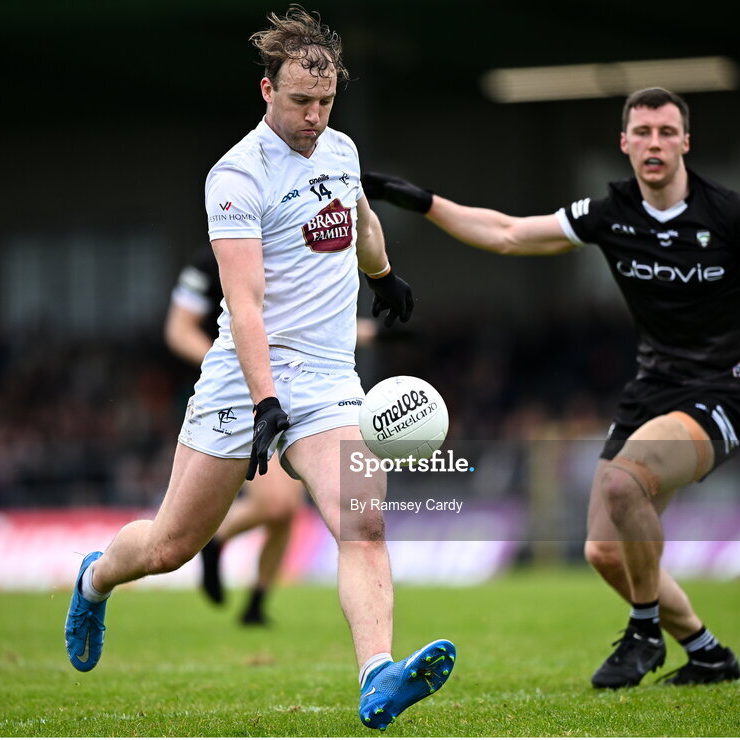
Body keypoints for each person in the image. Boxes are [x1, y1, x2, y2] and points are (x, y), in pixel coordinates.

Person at [362, 87, 740, 688]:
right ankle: (707, 653)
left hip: (724, 394)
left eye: (666, 132)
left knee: (624, 486)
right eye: (642, 132)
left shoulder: (734, 217)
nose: (654, 143)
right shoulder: (612, 212)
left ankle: (644, 634)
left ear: (685, 143)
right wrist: (421, 201)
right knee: (604, 551)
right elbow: (510, 234)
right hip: (653, 391)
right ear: (624, 143)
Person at [66, 6, 456, 730]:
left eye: (326, 101)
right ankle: (94, 580)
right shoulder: (236, 176)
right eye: (301, 101)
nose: (314, 116)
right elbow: (243, 307)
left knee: (362, 522)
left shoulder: (339, 147)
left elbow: (361, 218)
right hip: (242, 381)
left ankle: (378, 676)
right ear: (266, 90)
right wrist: (264, 402)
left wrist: (383, 275)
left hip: (332, 385)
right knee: (170, 546)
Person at [165, 245, 305, 625]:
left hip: (289, 388)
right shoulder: (206, 264)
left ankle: (257, 603)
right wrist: (236, 361)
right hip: (234, 394)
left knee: (287, 509)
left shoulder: (288, 250)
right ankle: (215, 537)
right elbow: (179, 330)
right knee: (276, 504)